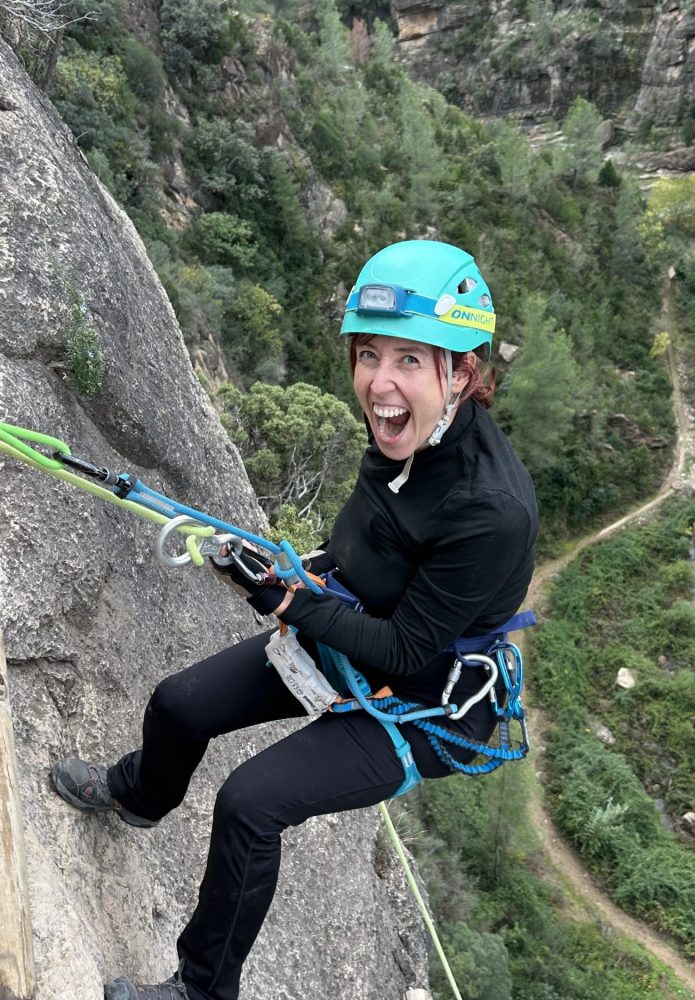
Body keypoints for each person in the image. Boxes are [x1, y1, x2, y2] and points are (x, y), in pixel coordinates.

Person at [51, 240, 538, 1000]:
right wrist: (302, 570)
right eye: (369, 353)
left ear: (463, 372)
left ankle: (203, 991)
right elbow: (369, 534)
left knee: (251, 805)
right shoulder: (406, 435)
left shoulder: (490, 511)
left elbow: (407, 649)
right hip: (356, 621)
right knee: (179, 704)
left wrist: (285, 600)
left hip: (423, 702)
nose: (380, 382)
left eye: (411, 359)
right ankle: (138, 796)